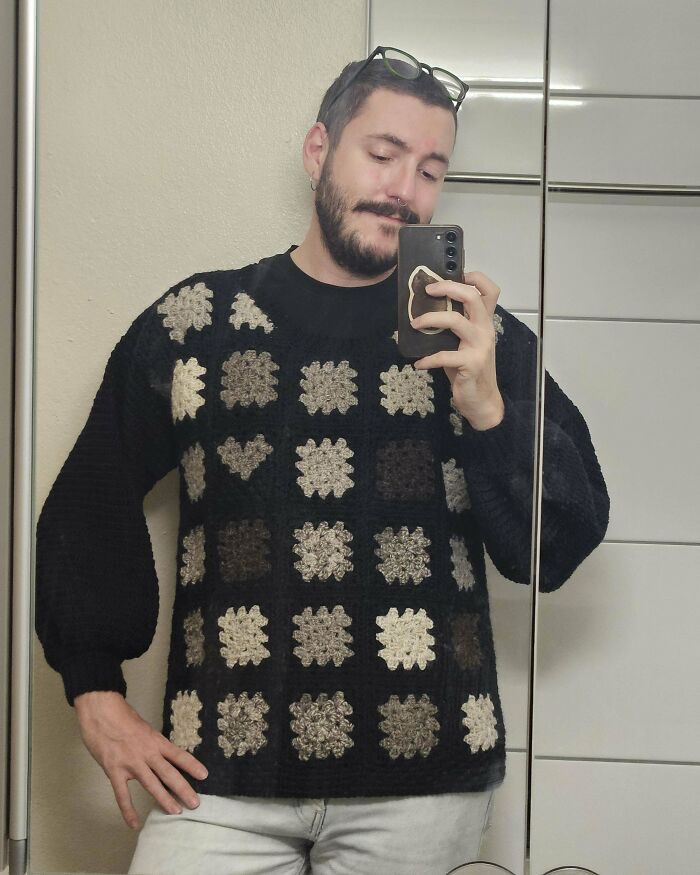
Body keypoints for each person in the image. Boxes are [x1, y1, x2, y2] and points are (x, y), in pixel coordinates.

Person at [34, 47, 610, 875]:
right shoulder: (195, 323)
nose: (403, 188)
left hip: (424, 786)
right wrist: (93, 688)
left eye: (430, 170)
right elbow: (90, 497)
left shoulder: (476, 338)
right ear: (318, 151)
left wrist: (488, 408)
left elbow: (556, 548)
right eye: (383, 154)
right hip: (219, 776)